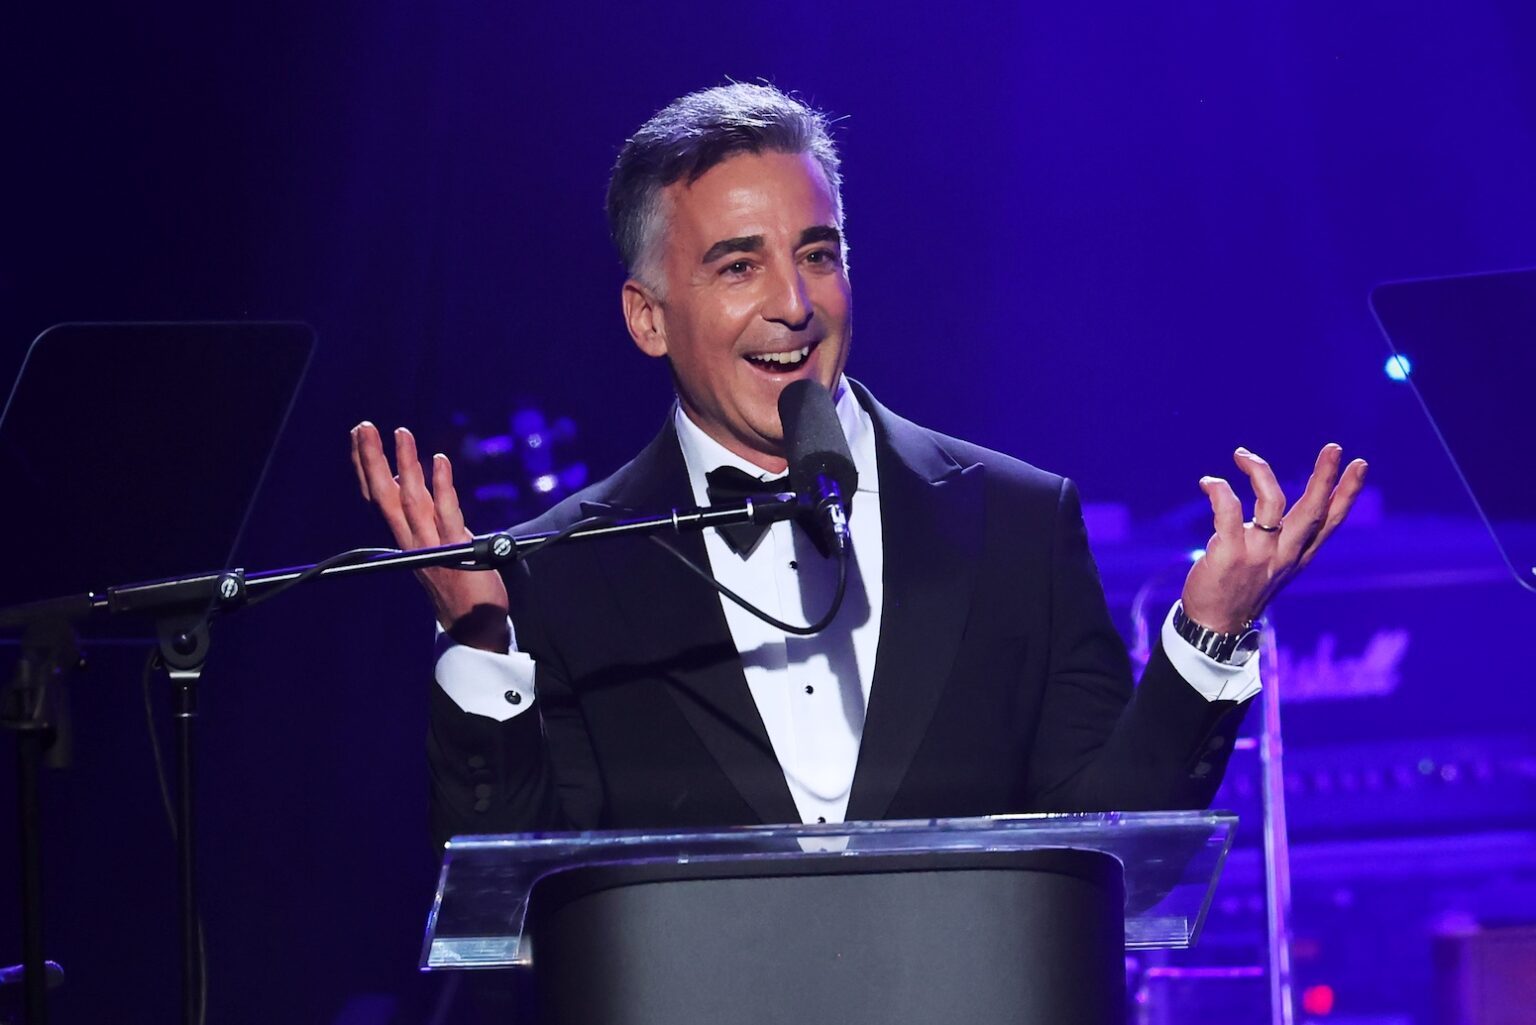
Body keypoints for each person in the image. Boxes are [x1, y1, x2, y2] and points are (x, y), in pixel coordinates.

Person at [349, 83, 1367, 847]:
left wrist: (1211, 633)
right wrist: (479, 638)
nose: (795, 301)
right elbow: (521, 884)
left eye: (820, 252)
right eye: (738, 264)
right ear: (648, 317)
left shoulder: (1015, 519)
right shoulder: (559, 566)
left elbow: (1104, 835)